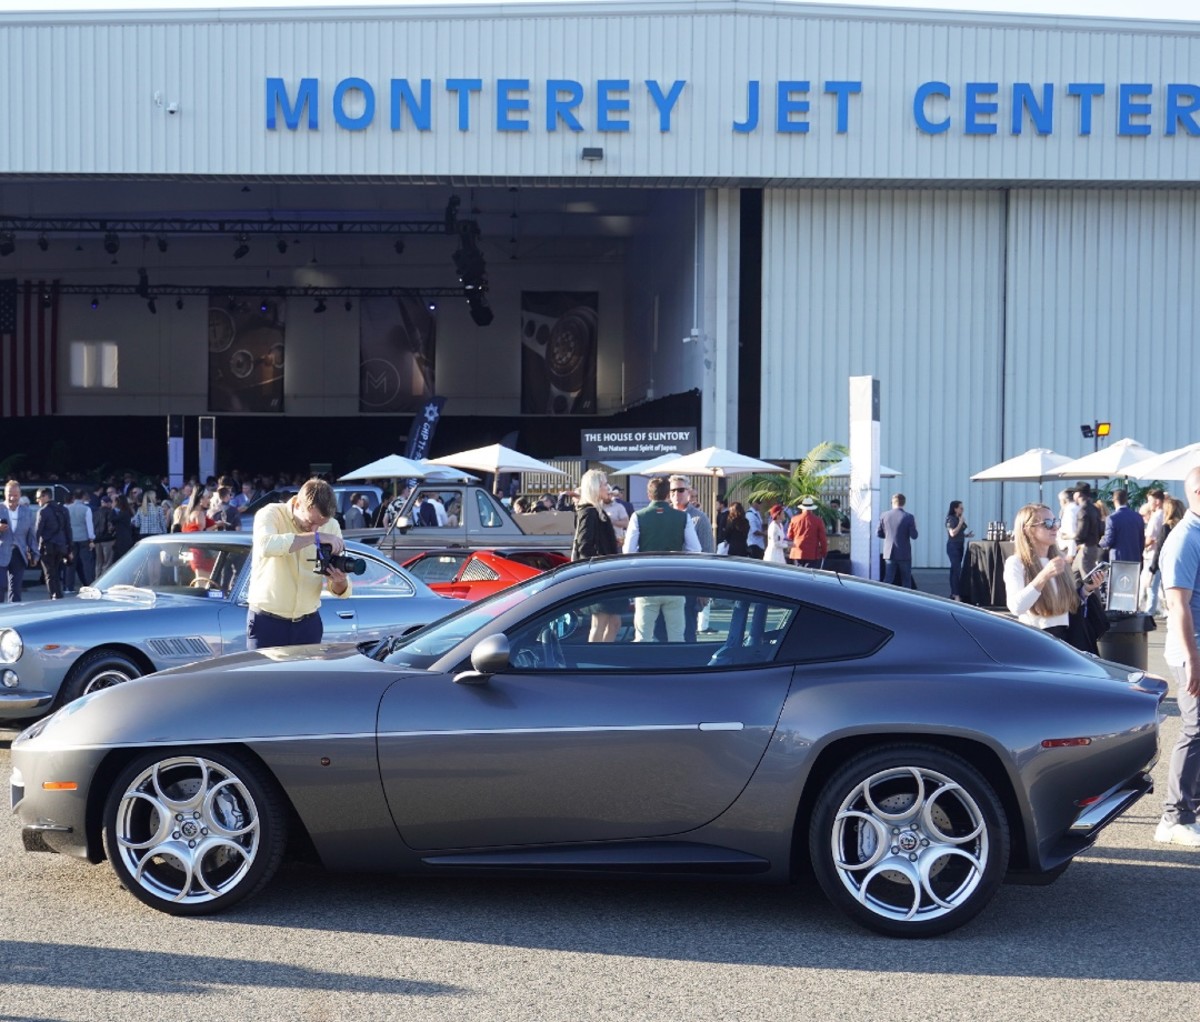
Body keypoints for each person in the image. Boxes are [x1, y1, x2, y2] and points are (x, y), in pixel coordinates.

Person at [246, 477, 351, 650]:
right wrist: (314, 538)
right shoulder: (270, 513)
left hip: (308, 624)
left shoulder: (332, 526)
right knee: (265, 678)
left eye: (321, 525)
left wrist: (340, 581)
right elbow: (266, 546)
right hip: (267, 622)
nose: (315, 528)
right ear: (298, 504)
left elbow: (340, 591)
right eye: (311, 522)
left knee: (306, 678)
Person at [1153, 465, 1200, 847]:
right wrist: (1193, 659)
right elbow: (1178, 604)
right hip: (1191, 650)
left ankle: (1190, 811)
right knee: (1194, 729)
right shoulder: (1185, 538)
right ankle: (1174, 817)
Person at [1004, 503, 1103, 652]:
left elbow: (1069, 605)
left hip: (1066, 640)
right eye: (1048, 523)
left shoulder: (1060, 559)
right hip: (1036, 640)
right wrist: (1043, 576)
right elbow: (1016, 607)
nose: (1055, 527)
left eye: (1056, 522)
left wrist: (1086, 590)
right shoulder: (1016, 563)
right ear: (1028, 529)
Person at [622, 476, 700, 642]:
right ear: (667, 495)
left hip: (647, 583)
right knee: (677, 637)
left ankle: (644, 667)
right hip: (674, 582)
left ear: (649, 495)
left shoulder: (638, 516)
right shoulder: (683, 517)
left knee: (643, 637)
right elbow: (695, 549)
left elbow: (628, 551)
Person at [570, 469, 622, 642]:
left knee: (614, 623)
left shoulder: (593, 510)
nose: (608, 487)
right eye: (604, 484)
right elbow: (584, 547)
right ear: (594, 487)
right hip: (601, 575)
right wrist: (600, 564)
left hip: (607, 574)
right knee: (600, 624)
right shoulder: (589, 511)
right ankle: (596, 662)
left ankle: (603, 658)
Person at [2, 480, 37, 602]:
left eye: (15, 495)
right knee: (0, 586)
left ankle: (14, 616)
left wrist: (35, 554)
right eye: (9, 495)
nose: (12, 498)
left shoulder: (27, 511)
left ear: (20, 495)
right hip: (1, 552)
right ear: (5, 494)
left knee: (16, 589)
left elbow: (31, 535)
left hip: (19, 553)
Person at [34, 487, 72, 600]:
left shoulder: (43, 511)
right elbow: (68, 530)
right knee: (56, 571)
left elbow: (37, 531)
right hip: (61, 546)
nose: (37, 500)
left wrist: (33, 548)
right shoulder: (63, 510)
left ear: (45, 497)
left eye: (38, 497)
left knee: (49, 573)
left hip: (48, 546)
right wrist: (70, 548)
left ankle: (54, 595)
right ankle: (58, 594)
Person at [877, 493, 918, 587]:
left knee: (888, 579)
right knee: (906, 580)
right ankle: (907, 599)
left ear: (892, 502)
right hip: (904, 553)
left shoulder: (884, 515)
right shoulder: (909, 517)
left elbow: (878, 533)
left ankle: (884, 598)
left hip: (889, 552)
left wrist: (888, 536)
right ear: (904, 503)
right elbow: (914, 536)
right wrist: (915, 526)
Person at [668, 475, 714, 553]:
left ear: (688, 492)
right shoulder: (665, 516)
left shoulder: (700, 518)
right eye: (673, 490)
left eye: (680, 490)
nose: (676, 493)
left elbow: (708, 551)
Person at [1099, 488, 1144, 564]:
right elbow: (1141, 540)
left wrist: (1099, 543)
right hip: (1134, 558)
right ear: (1126, 500)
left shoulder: (1111, 518)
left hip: (1118, 559)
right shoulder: (1138, 517)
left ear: (1114, 500)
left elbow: (1108, 540)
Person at [65, 489, 96, 591]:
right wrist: (91, 538)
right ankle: (89, 584)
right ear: (83, 497)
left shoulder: (67, 509)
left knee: (71, 563)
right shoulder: (86, 509)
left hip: (71, 539)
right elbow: (89, 526)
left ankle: (69, 586)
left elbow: (65, 525)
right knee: (86, 563)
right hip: (83, 539)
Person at [1142, 487, 1167, 615]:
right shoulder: (1164, 514)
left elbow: (1150, 538)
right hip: (1160, 554)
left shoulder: (1156, 516)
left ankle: (1149, 612)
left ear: (1157, 501)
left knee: (1151, 585)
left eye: (1150, 500)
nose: (1149, 503)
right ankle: (1163, 610)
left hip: (1152, 554)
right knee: (1159, 586)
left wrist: (1142, 545)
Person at [1070, 484, 1103, 576]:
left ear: (1078, 494)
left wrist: (1075, 540)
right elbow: (1101, 529)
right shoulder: (1095, 509)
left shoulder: (1083, 510)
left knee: (1089, 578)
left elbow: (1081, 532)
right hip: (1094, 547)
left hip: (1086, 547)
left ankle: (1095, 591)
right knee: (1074, 573)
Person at [788, 496, 829, 568]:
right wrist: (824, 552)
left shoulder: (794, 519)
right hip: (812, 553)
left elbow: (789, 536)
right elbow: (823, 539)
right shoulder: (818, 521)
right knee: (810, 576)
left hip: (797, 552)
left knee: (798, 574)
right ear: (812, 508)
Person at [945, 500, 972, 600]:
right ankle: (956, 594)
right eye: (960, 508)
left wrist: (966, 535)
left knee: (954, 570)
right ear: (955, 508)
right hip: (953, 547)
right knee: (956, 570)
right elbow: (952, 533)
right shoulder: (950, 519)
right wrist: (960, 523)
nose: (962, 509)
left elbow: (959, 532)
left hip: (960, 545)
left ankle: (953, 592)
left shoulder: (958, 518)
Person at [602, 482, 630, 546]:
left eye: (610, 494)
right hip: (602, 542)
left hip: (617, 541)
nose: (609, 496)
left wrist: (611, 521)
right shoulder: (598, 507)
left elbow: (626, 523)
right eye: (607, 494)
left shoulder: (619, 507)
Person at [1057, 488, 1079, 560]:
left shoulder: (1069, 511)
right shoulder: (1077, 508)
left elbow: (1071, 531)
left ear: (1064, 501)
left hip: (1068, 549)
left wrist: (1071, 554)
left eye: (1060, 501)